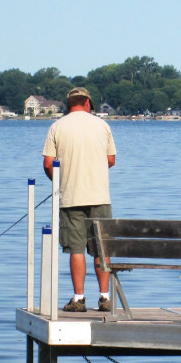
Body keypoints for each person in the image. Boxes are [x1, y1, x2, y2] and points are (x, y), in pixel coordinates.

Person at [43, 87, 116, 313]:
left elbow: (48, 163)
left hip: (71, 197)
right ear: (87, 104)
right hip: (100, 197)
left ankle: (79, 298)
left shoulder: (57, 127)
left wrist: (58, 183)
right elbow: (111, 160)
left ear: (69, 104)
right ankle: (105, 298)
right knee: (101, 249)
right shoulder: (102, 125)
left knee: (76, 249)